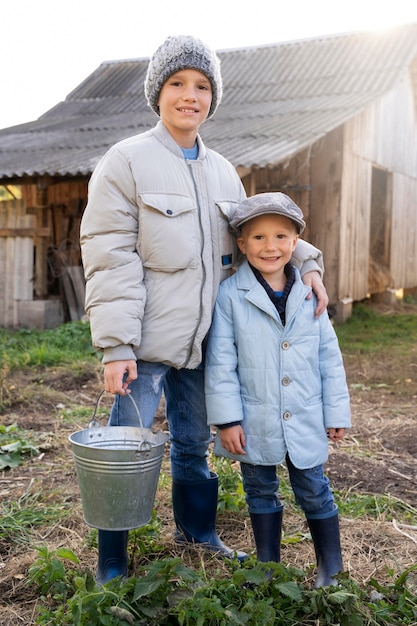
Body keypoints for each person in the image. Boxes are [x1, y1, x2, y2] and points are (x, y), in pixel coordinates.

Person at [80, 35, 329, 584]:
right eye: (176, 84)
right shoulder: (126, 161)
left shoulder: (221, 171)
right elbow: (110, 257)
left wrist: (308, 261)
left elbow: (261, 231)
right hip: (144, 342)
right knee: (127, 447)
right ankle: (113, 562)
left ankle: (197, 534)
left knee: (194, 445)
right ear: (158, 93)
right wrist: (116, 344)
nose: (189, 96)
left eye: (201, 86)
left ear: (212, 98)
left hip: (206, 340)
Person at [205, 192, 351, 587]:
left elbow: (329, 358)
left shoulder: (310, 294)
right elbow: (221, 363)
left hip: (304, 414)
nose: (271, 247)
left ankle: (330, 568)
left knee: (314, 488)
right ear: (241, 244)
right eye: (258, 238)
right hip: (254, 418)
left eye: (281, 237)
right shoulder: (230, 296)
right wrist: (227, 420)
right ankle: (268, 567)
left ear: (295, 242)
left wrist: (336, 414)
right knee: (260, 490)